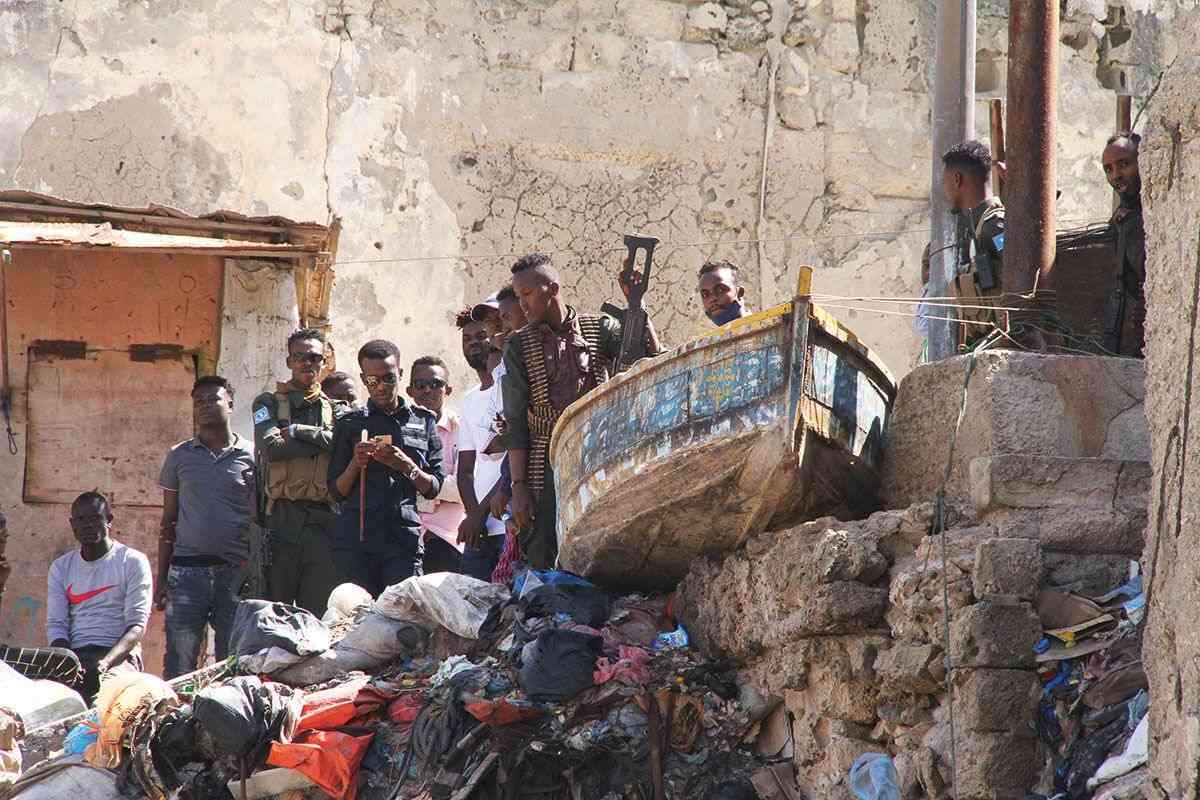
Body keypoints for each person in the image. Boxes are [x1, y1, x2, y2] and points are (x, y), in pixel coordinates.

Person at [502, 253, 663, 568]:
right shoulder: (519, 346)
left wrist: (636, 303)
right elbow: (516, 423)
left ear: (552, 288)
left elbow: (647, 354)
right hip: (544, 462)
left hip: (599, 452)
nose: (521, 305)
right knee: (543, 549)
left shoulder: (598, 328)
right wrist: (518, 486)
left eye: (527, 294)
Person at [327, 340, 444, 595]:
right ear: (363, 378)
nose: (380, 387)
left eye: (388, 378)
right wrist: (355, 465)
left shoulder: (423, 421)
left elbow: (433, 487)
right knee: (354, 619)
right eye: (372, 380)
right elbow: (335, 491)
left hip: (402, 541)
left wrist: (407, 466)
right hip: (356, 542)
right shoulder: (350, 423)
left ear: (400, 375)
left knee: (402, 619)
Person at [157, 375, 254, 679]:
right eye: (199, 401)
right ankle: (174, 725)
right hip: (186, 574)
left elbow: (260, 518)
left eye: (213, 398)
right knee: (180, 664)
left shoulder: (252, 455)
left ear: (230, 403)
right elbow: (168, 520)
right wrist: (161, 578)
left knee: (231, 664)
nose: (206, 406)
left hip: (235, 574)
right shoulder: (179, 456)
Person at [252, 328, 345, 617]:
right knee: (273, 616)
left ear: (325, 361)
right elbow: (271, 448)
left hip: (323, 522)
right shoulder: (266, 403)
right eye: (300, 356)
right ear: (289, 360)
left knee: (316, 616)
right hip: (280, 520)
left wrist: (296, 432)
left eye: (315, 357)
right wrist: (323, 443)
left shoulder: (338, 410)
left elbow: (342, 447)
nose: (307, 363)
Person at [46, 492, 151, 702]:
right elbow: (56, 625)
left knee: (105, 701)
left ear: (109, 521)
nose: (87, 525)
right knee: (52, 702)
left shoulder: (132, 561)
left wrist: (105, 663)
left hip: (118, 656)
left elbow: (137, 626)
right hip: (75, 654)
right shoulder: (61, 567)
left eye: (95, 518)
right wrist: (68, 662)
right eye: (81, 520)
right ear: (72, 524)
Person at [455, 310, 508, 579]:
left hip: (509, 525)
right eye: (467, 338)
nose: (473, 342)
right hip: (480, 530)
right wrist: (474, 516)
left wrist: (480, 515)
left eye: (480, 335)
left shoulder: (510, 388)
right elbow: (464, 470)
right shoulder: (469, 399)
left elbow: (513, 460)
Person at [942, 140, 1005, 348]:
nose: (945, 192)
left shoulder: (994, 225)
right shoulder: (975, 227)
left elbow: (1021, 271)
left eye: (945, 183)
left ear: (957, 179)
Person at [407, 356, 465, 574]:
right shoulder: (398, 429)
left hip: (448, 538)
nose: (427, 391)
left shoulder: (461, 428)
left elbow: (464, 488)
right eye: (420, 385)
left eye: (436, 384)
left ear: (448, 390)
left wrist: (421, 486)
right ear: (410, 390)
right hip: (406, 537)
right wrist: (438, 488)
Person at [1101, 131, 1145, 357]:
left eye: (1124, 164)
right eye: (1108, 169)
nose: (1116, 175)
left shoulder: (1149, 217)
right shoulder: (1121, 220)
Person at [698, 260, 752, 325]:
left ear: (739, 293)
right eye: (705, 295)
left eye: (720, 290)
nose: (712, 299)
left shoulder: (765, 328)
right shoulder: (713, 335)